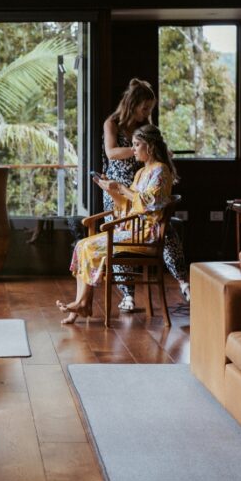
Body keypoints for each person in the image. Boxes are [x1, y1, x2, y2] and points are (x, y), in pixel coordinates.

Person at [58, 124, 188, 324]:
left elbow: (148, 203)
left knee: (89, 246)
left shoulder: (160, 171)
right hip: (134, 230)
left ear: (150, 147)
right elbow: (127, 206)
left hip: (146, 234)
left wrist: (120, 186)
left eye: (137, 145)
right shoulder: (142, 173)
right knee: (82, 245)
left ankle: (82, 305)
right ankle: (82, 303)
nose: (133, 149)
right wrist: (110, 189)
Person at [101, 78, 157, 311]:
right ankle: (128, 295)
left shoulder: (145, 128)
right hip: (116, 191)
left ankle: (182, 283)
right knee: (118, 242)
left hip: (140, 190)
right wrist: (139, 150)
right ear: (132, 104)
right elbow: (112, 152)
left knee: (141, 236)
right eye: (145, 108)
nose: (147, 113)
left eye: (150, 109)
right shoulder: (112, 123)